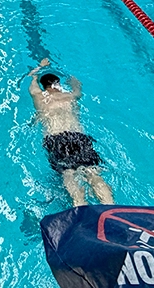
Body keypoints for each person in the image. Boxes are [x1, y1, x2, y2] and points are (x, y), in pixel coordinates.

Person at [27, 60, 113, 207]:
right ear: (57, 84)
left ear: (44, 86)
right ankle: (110, 205)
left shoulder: (39, 97)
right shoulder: (71, 96)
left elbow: (30, 77)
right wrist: (70, 75)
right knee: (92, 172)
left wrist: (40, 68)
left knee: (68, 172)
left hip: (56, 139)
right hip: (78, 136)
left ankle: (79, 204)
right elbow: (78, 86)